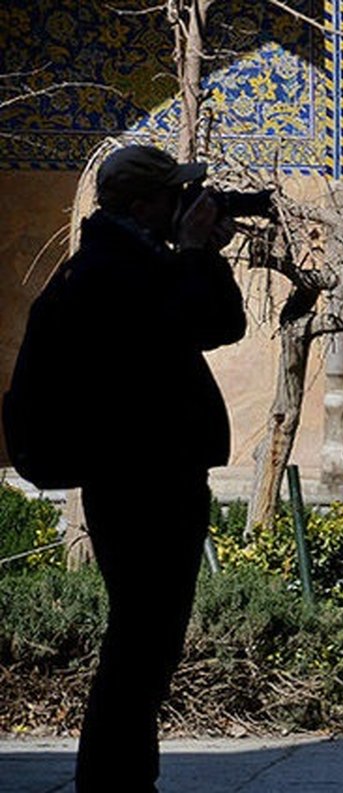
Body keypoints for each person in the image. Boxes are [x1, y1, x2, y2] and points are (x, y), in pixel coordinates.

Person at [18, 144, 246, 791]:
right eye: (175, 196)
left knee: (144, 647)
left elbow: (219, 322)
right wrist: (198, 253)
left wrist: (200, 253)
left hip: (146, 479)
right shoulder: (112, 272)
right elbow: (208, 322)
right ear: (144, 205)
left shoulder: (128, 262)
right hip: (141, 485)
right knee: (139, 648)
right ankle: (112, 783)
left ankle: (121, 780)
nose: (184, 205)